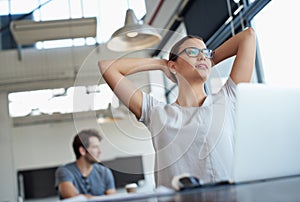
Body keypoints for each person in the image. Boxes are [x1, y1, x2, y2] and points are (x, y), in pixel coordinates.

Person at [98, 28, 256, 188]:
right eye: (192, 52)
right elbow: (107, 67)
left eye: (206, 52)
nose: (202, 55)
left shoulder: (227, 98)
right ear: (173, 65)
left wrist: (204, 60)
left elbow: (248, 36)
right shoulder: (156, 113)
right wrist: (161, 64)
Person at [55, 129, 116, 199]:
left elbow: (112, 199)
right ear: (82, 151)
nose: (100, 151)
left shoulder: (105, 172)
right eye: (95, 147)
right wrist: (101, 199)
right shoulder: (64, 171)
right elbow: (74, 199)